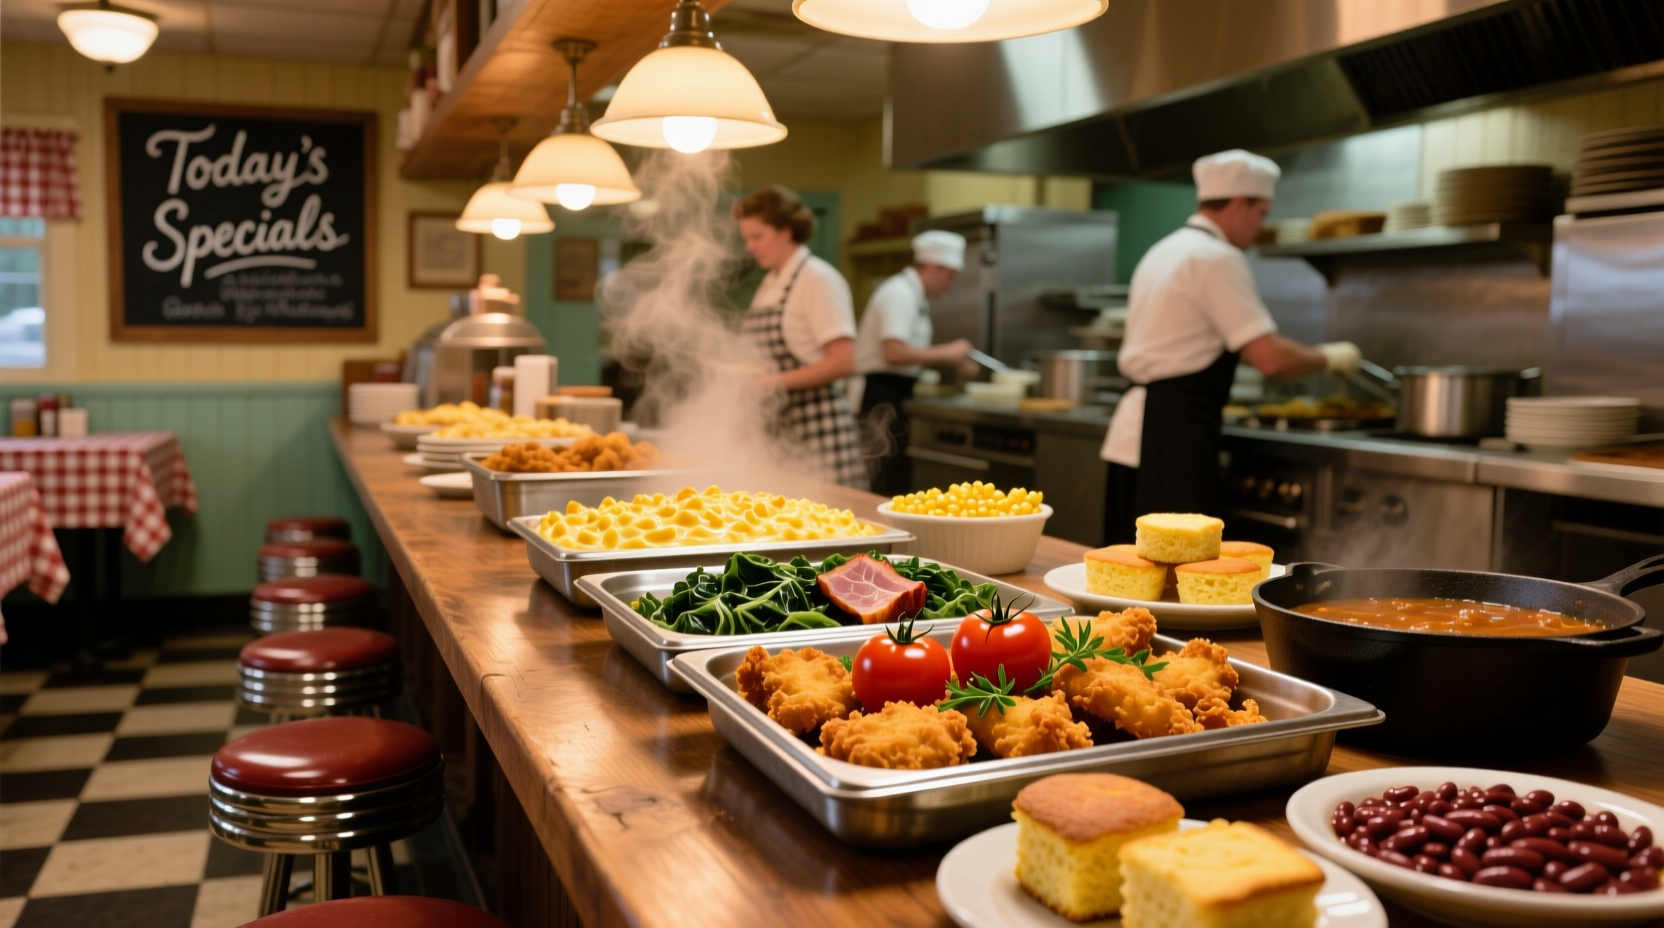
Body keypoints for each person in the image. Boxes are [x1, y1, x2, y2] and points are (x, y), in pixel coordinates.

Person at [1100, 149, 1361, 542]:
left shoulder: (1163, 249)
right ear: (1240, 204)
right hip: (1174, 440)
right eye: (1261, 214)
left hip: (1133, 437)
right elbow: (1268, 358)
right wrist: (1329, 357)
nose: (1260, 227)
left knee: (1130, 568)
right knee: (1180, 573)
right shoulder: (1217, 257)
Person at [732, 185, 867, 489]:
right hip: (781, 434)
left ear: (787, 231)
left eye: (757, 236)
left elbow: (844, 361)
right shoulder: (769, 283)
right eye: (746, 239)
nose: (750, 247)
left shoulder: (817, 279)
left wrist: (771, 382)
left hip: (820, 432)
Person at [852, 230, 977, 494]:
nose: (949, 285)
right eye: (949, 276)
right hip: (879, 394)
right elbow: (893, 352)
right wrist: (947, 352)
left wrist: (954, 359)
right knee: (881, 479)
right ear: (933, 266)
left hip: (894, 392)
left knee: (893, 477)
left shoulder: (913, 294)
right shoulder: (899, 293)